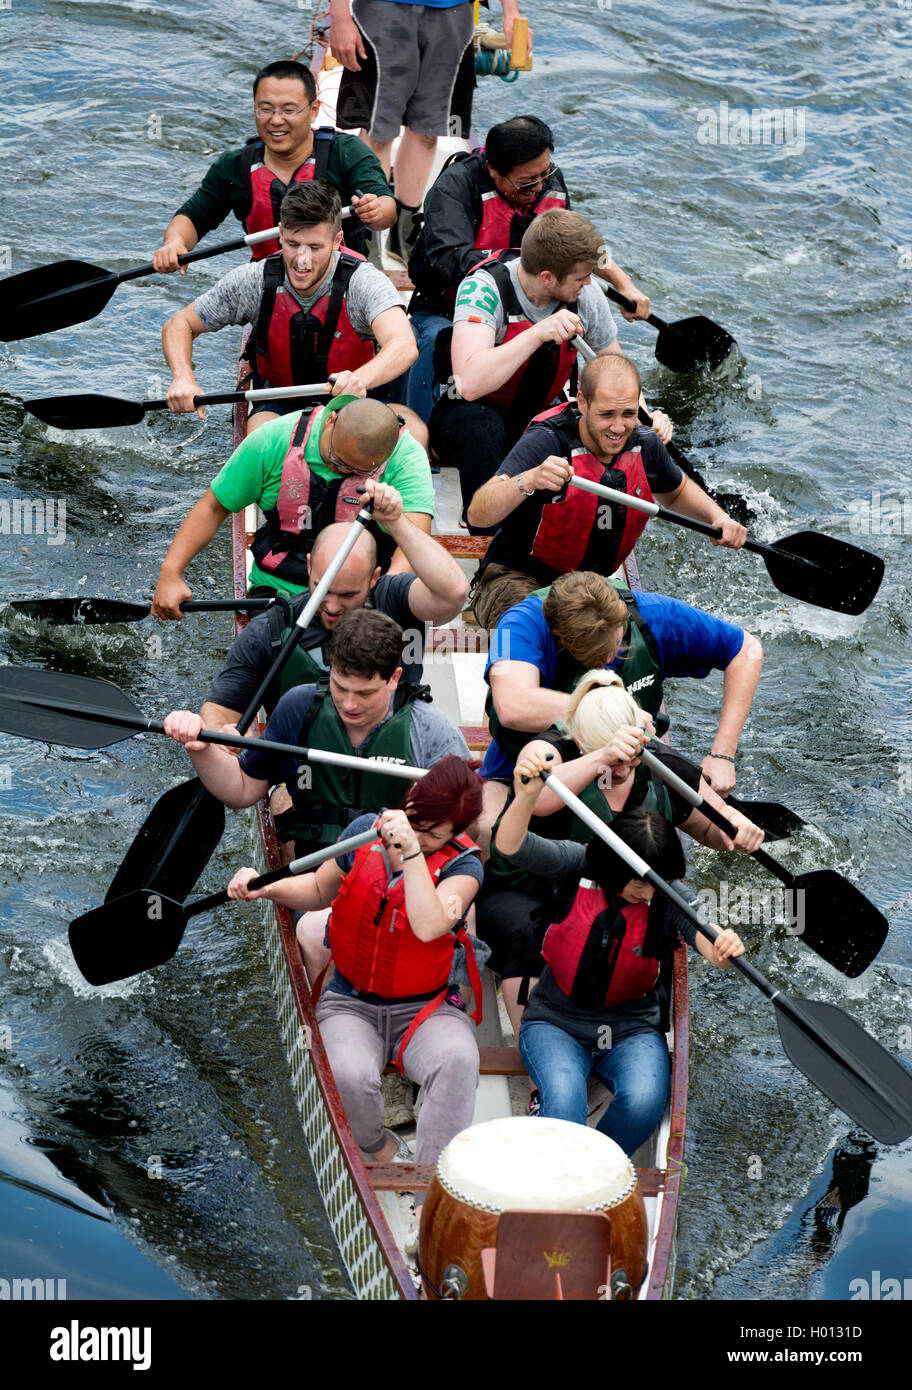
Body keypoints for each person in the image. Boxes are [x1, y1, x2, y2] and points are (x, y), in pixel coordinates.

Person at [225, 755, 485, 1229]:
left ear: (457, 833)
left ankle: (432, 1192)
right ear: (408, 802)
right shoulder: (364, 830)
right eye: (418, 823)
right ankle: (377, 1147)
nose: (424, 838)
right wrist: (263, 889)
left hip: (426, 1008)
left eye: (436, 835)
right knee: (344, 1072)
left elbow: (429, 926)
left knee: (460, 1061)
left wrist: (411, 852)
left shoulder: (466, 866)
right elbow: (320, 891)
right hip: (351, 1000)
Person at [480, 676, 760, 1083]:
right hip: (532, 887)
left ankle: (628, 1034)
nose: (622, 770)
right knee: (532, 935)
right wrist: (603, 757)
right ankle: (543, 1066)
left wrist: (738, 832)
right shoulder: (549, 751)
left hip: (622, 898)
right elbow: (537, 801)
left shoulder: (661, 766)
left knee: (653, 939)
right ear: (579, 743)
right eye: (613, 762)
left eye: (630, 763)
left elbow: (715, 829)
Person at [498, 749, 745, 1156]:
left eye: (656, 883)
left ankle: (594, 1167)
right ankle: (567, 1165)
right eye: (639, 883)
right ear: (614, 867)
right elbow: (512, 846)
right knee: (562, 1105)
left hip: (631, 1029)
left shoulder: (667, 894)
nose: (648, 894)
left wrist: (722, 946)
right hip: (555, 1022)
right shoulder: (577, 863)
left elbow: (705, 934)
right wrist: (525, 796)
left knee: (645, 1101)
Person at [466, 354, 747, 626]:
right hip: (516, 577)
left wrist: (717, 516)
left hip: (589, 588)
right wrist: (528, 480)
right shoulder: (547, 442)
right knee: (541, 632)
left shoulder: (646, 444)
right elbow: (477, 516)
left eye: (628, 414)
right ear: (583, 403)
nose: (618, 427)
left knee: (638, 640)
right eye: (607, 414)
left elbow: (675, 492)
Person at [404, 115, 651, 424]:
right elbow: (450, 261)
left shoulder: (549, 183)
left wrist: (623, 283)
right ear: (493, 168)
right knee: (434, 341)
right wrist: (536, 262)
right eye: (526, 183)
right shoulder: (454, 188)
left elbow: (575, 242)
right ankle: (419, 433)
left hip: (530, 301)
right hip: (449, 308)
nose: (537, 188)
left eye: (543, 175)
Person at [428, 209, 671, 519]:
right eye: (580, 278)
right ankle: (486, 527)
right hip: (469, 414)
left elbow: (614, 368)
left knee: (602, 426)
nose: (588, 283)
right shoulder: (484, 289)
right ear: (547, 277)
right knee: (483, 427)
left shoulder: (586, 296)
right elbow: (470, 383)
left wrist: (647, 418)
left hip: (535, 413)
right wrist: (537, 333)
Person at [161, 181, 419, 437]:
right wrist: (183, 377)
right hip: (280, 404)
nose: (302, 260)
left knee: (415, 433)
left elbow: (404, 345)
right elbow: (179, 324)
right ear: (281, 233)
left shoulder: (364, 282)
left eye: (315, 247)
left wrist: (359, 379)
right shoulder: (255, 280)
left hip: (357, 403)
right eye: (294, 244)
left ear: (337, 240)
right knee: (261, 435)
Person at [482, 571, 763, 798]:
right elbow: (511, 706)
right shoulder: (516, 623)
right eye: (594, 657)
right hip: (533, 770)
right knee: (484, 828)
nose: (608, 659)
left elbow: (746, 650)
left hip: (628, 772)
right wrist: (612, 712)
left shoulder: (654, 615)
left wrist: (722, 755)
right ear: (561, 637)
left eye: (617, 649)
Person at [151, 396, 436, 619]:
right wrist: (171, 573)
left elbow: (414, 543)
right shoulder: (273, 439)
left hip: (360, 596)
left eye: (356, 470)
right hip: (279, 590)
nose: (340, 470)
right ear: (330, 420)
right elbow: (214, 507)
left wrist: (383, 602)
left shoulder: (407, 458)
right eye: (337, 459)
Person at [198, 497, 469, 729]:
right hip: (304, 777)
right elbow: (218, 713)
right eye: (322, 587)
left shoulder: (393, 598)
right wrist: (228, 738)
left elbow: (454, 593)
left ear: (373, 578)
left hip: (390, 763)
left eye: (348, 595)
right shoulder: (273, 628)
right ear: (308, 568)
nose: (332, 606)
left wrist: (396, 523)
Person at [151, 59, 396, 272]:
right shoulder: (235, 165)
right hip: (268, 289)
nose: (276, 120)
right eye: (265, 109)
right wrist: (174, 243)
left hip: (342, 285)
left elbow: (387, 208)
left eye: (289, 110)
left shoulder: (346, 152)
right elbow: (193, 217)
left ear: (313, 111)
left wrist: (375, 210)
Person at [327, 0, 522, 259]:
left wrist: (511, 13)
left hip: (453, 12)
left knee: (428, 131)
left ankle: (402, 236)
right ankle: (365, 238)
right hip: (384, 10)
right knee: (378, 131)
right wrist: (341, 18)